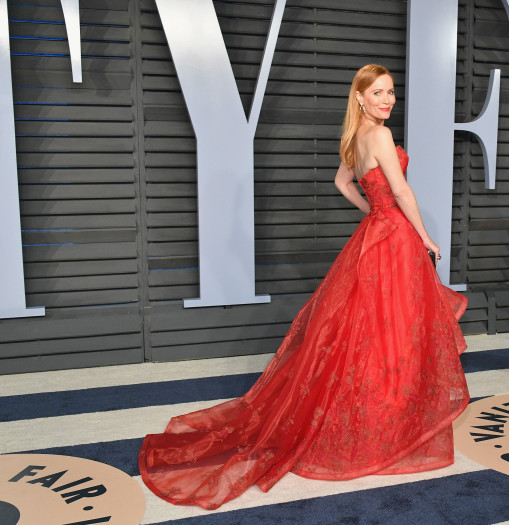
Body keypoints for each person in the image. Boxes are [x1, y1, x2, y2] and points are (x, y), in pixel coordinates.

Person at [139, 64, 470, 510]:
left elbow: (341, 182)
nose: (388, 100)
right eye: (378, 93)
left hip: (376, 235)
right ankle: (388, 421)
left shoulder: (355, 139)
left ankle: (382, 414)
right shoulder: (380, 138)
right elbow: (404, 192)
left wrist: (373, 211)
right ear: (360, 98)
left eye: (391, 92)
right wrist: (424, 236)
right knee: (393, 329)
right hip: (394, 240)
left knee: (366, 332)